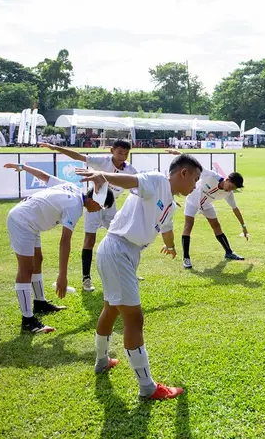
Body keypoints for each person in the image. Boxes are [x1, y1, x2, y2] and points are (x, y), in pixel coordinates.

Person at [76, 154, 202, 400]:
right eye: (195, 179)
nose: (195, 185)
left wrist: (171, 246)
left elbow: (166, 229)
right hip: (118, 249)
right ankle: (147, 387)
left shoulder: (170, 202)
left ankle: (102, 361)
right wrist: (104, 176)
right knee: (134, 319)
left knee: (111, 309)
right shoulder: (157, 181)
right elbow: (131, 181)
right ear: (183, 173)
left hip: (122, 252)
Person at [5, 162, 113, 334]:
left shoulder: (72, 188)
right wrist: (62, 275)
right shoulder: (75, 207)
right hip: (22, 221)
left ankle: (40, 303)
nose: (98, 211)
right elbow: (65, 241)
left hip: (31, 221)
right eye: (100, 207)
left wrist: (23, 167)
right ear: (94, 200)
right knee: (26, 268)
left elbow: (44, 176)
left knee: (38, 260)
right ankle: (28, 320)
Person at [39, 140, 137, 291]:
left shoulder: (130, 170)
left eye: (126, 154)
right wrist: (54, 147)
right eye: (120, 152)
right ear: (112, 151)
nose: (122, 156)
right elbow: (78, 156)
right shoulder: (102, 161)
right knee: (89, 240)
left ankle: (128, 271)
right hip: (94, 204)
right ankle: (86, 279)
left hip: (111, 206)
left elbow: (141, 186)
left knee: (122, 238)